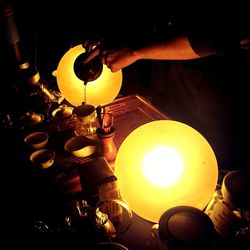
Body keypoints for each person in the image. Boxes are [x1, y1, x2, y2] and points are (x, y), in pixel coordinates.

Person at [81, 3, 250, 171]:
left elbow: (217, 38)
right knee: (177, 140)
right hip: (181, 73)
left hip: (226, 90)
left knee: (215, 161)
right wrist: (118, 35)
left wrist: (133, 52)